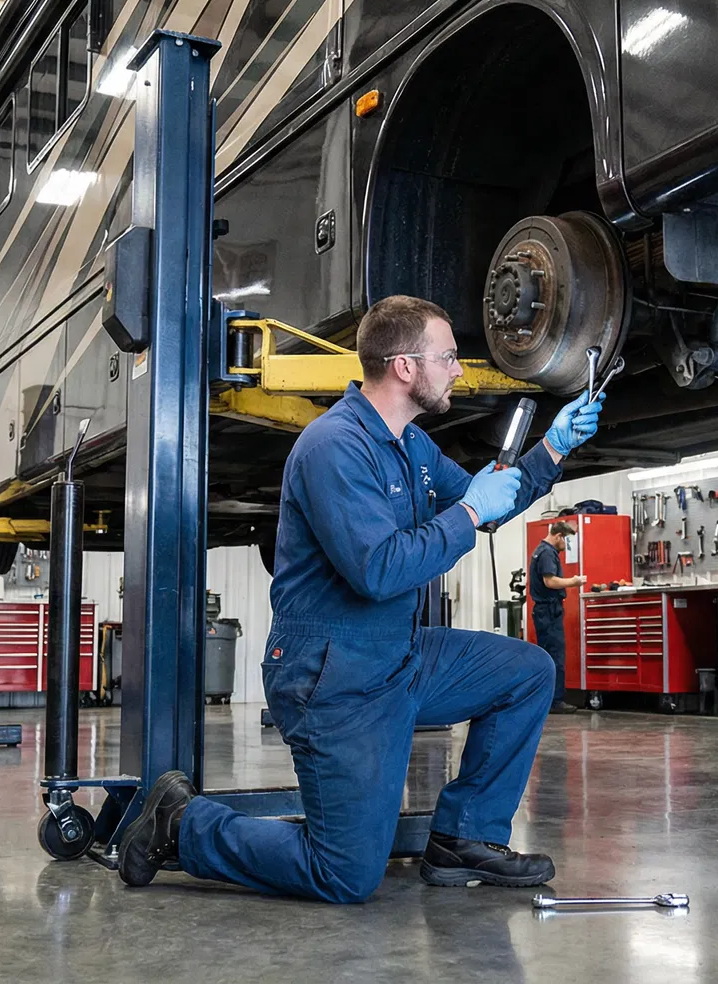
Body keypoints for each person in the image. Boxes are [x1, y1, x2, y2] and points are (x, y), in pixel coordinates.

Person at [118, 295, 606, 902]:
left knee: (527, 671)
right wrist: (471, 510)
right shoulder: (334, 447)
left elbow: (488, 505)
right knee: (345, 873)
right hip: (332, 675)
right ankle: (183, 823)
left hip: (397, 656)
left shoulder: (408, 444)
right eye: (448, 358)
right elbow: (378, 570)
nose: (459, 370)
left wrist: (553, 450)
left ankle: (464, 837)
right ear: (405, 367)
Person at [528, 519, 589, 714]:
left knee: (549, 654)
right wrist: (574, 581)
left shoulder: (543, 550)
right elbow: (550, 581)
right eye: (566, 542)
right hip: (548, 612)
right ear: (559, 536)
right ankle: (555, 701)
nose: (566, 546)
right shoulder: (546, 553)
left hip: (545, 611)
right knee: (555, 656)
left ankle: (548, 699)